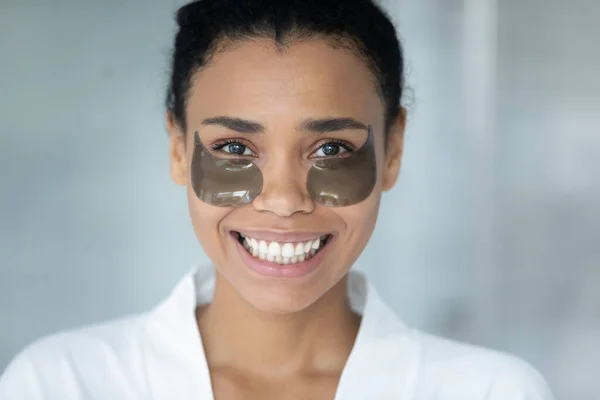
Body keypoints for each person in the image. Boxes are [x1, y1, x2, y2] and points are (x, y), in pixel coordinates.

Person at [0, 0, 555, 399]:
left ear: (393, 150)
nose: (285, 200)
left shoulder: (491, 392)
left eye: (332, 147)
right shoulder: (58, 385)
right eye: (236, 146)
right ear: (176, 147)